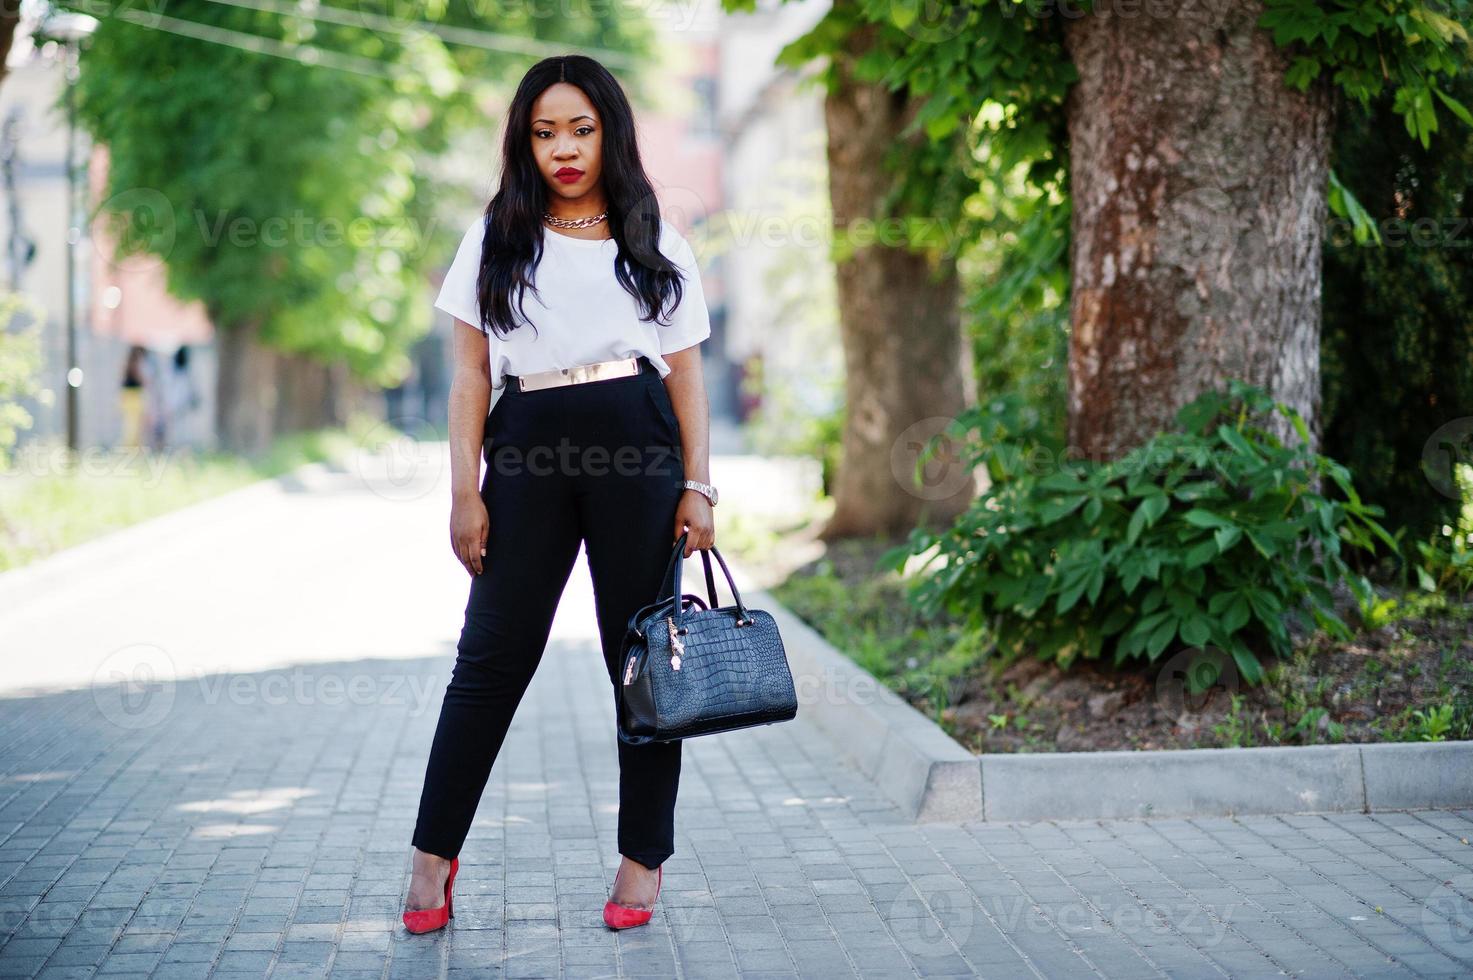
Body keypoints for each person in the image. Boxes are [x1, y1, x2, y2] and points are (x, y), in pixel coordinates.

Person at [403, 54, 718, 935]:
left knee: (644, 664)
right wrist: (463, 491)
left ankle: (640, 861)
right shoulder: (495, 237)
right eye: (545, 133)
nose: (564, 148)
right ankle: (432, 858)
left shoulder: (652, 238)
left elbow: (686, 374)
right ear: (523, 142)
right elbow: (468, 374)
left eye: (580, 129)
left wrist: (697, 484)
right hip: (529, 448)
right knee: (490, 658)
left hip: (638, 447)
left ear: (610, 131)